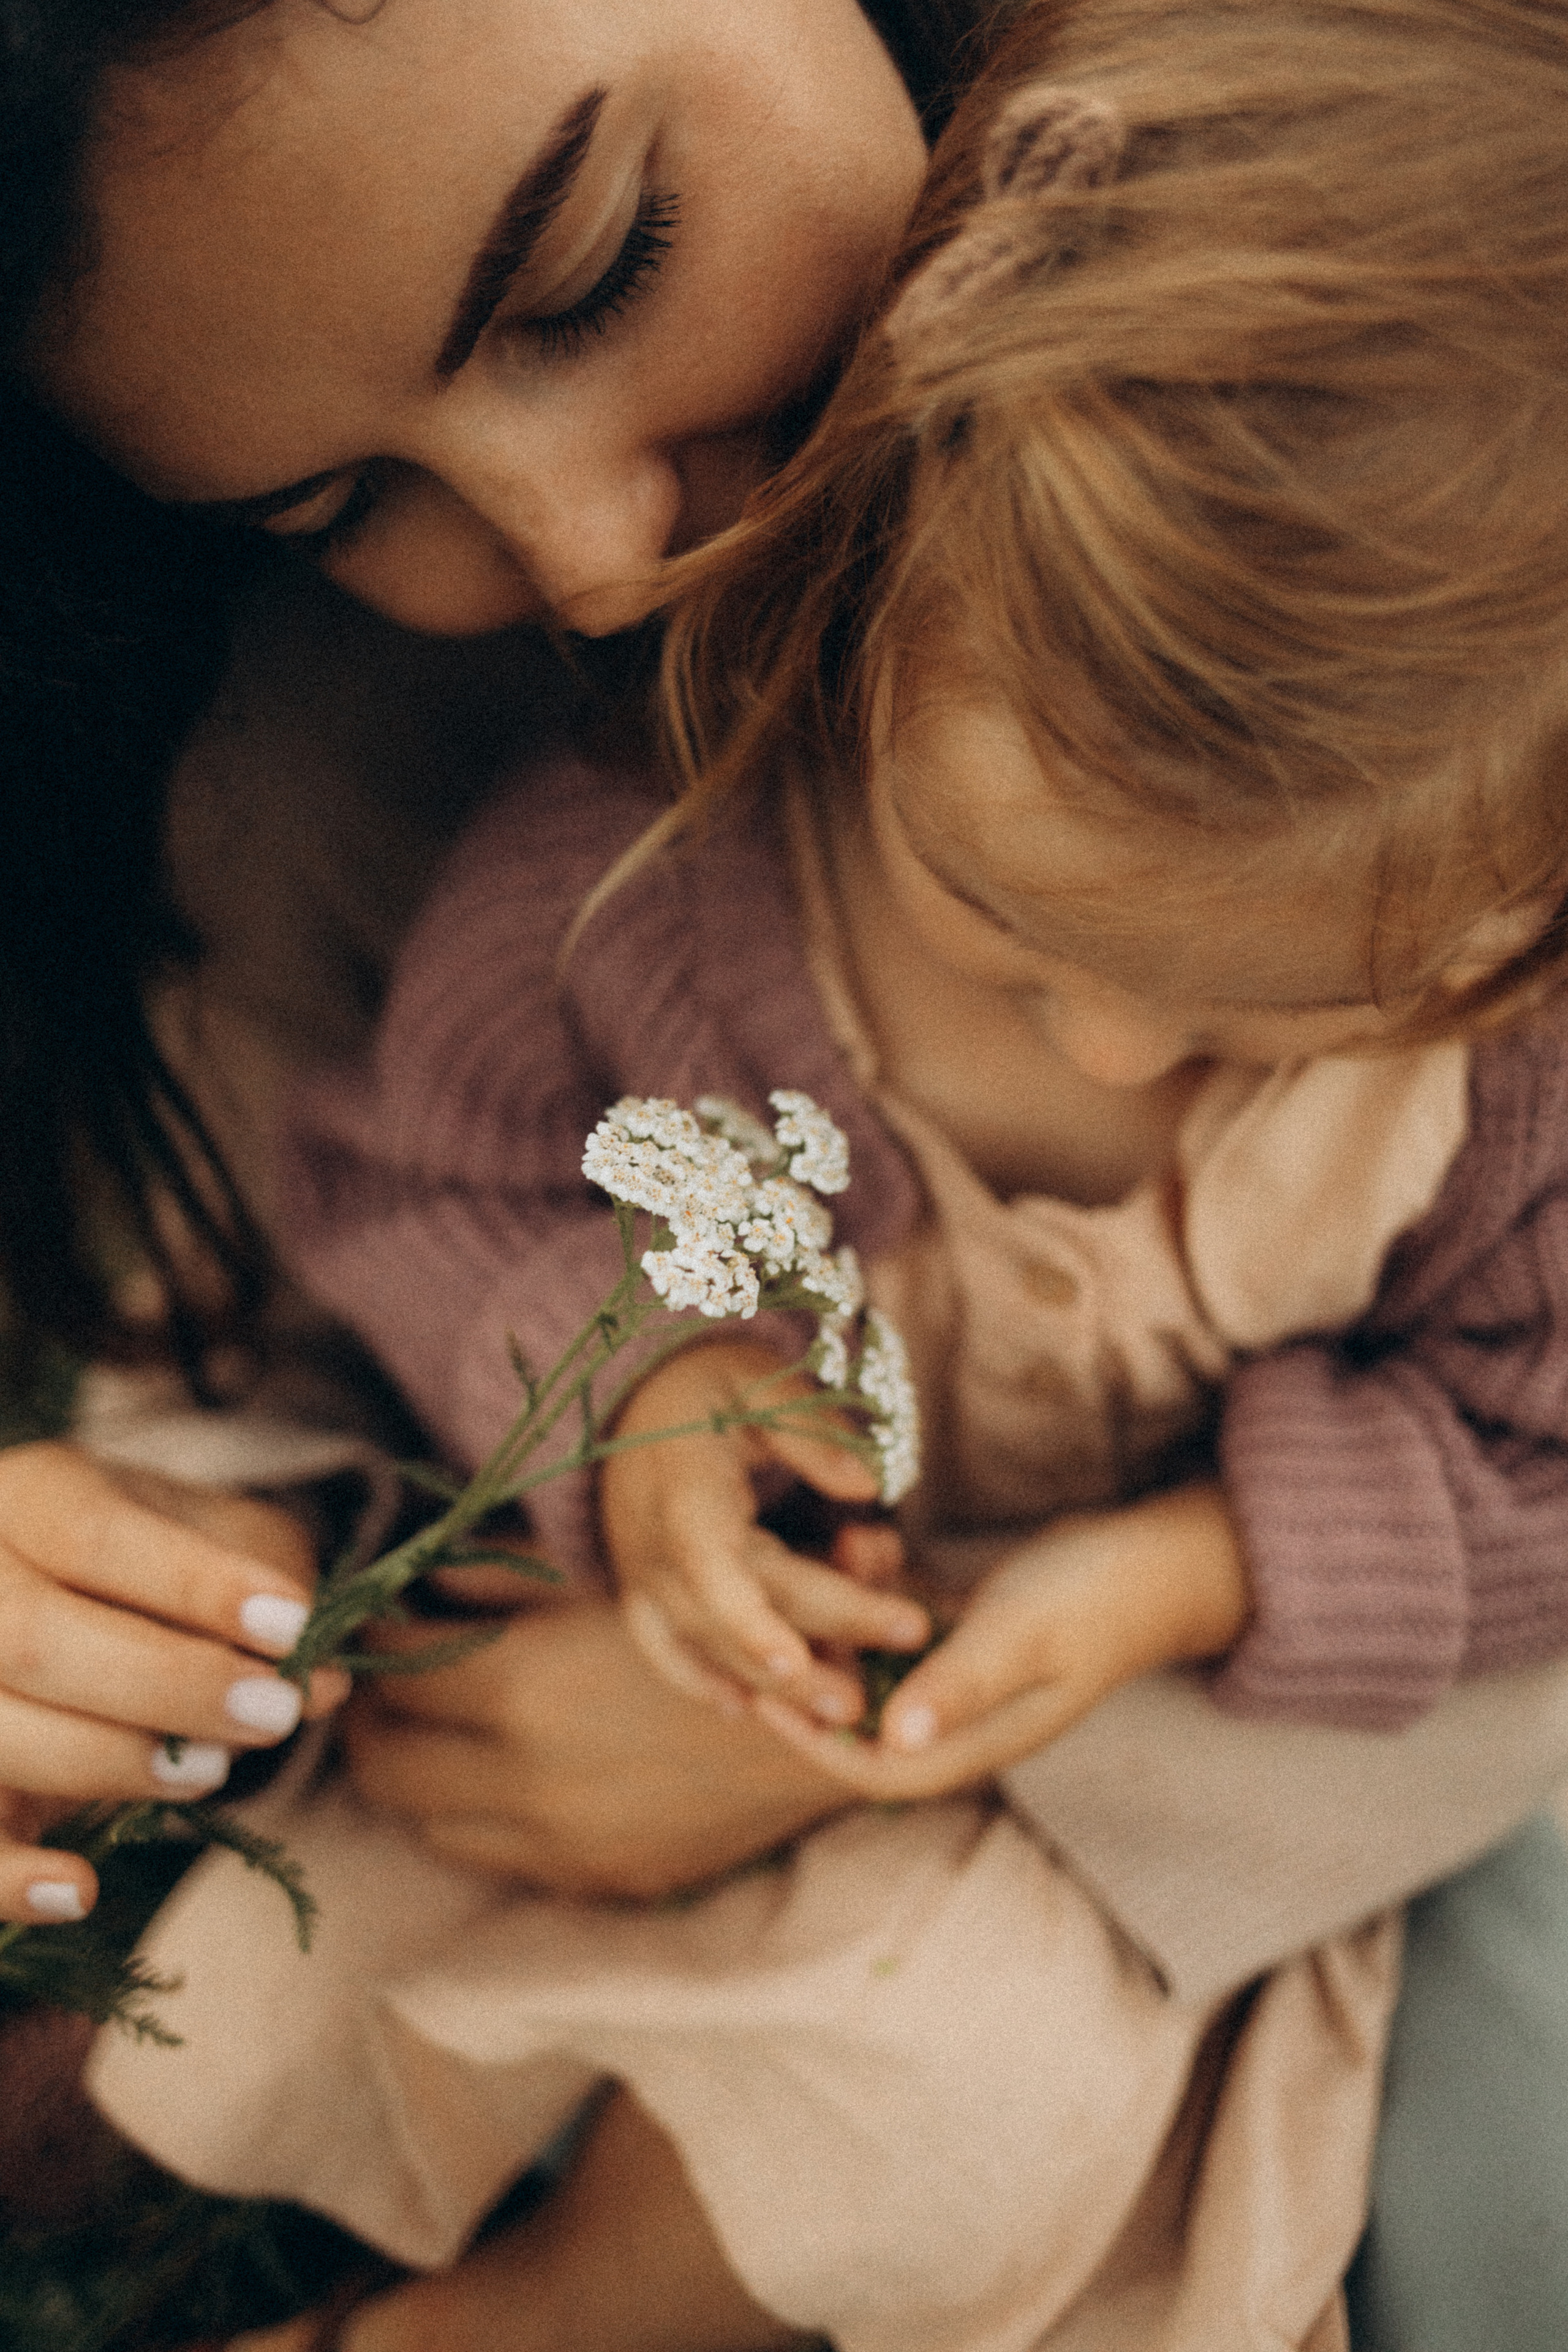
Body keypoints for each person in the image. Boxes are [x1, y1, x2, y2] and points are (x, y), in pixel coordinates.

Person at [0, 2, 1564, 2346]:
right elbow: (412, 1205)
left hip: (1150, 1805)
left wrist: (1140, 1608)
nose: (594, 561)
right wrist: (627, 1411)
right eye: (324, 507)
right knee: (293, 1973)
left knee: (982, 2118)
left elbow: (1521, 1445)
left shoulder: (1459, 885)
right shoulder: (622, 882)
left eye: (601, 254)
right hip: (573, 1693)